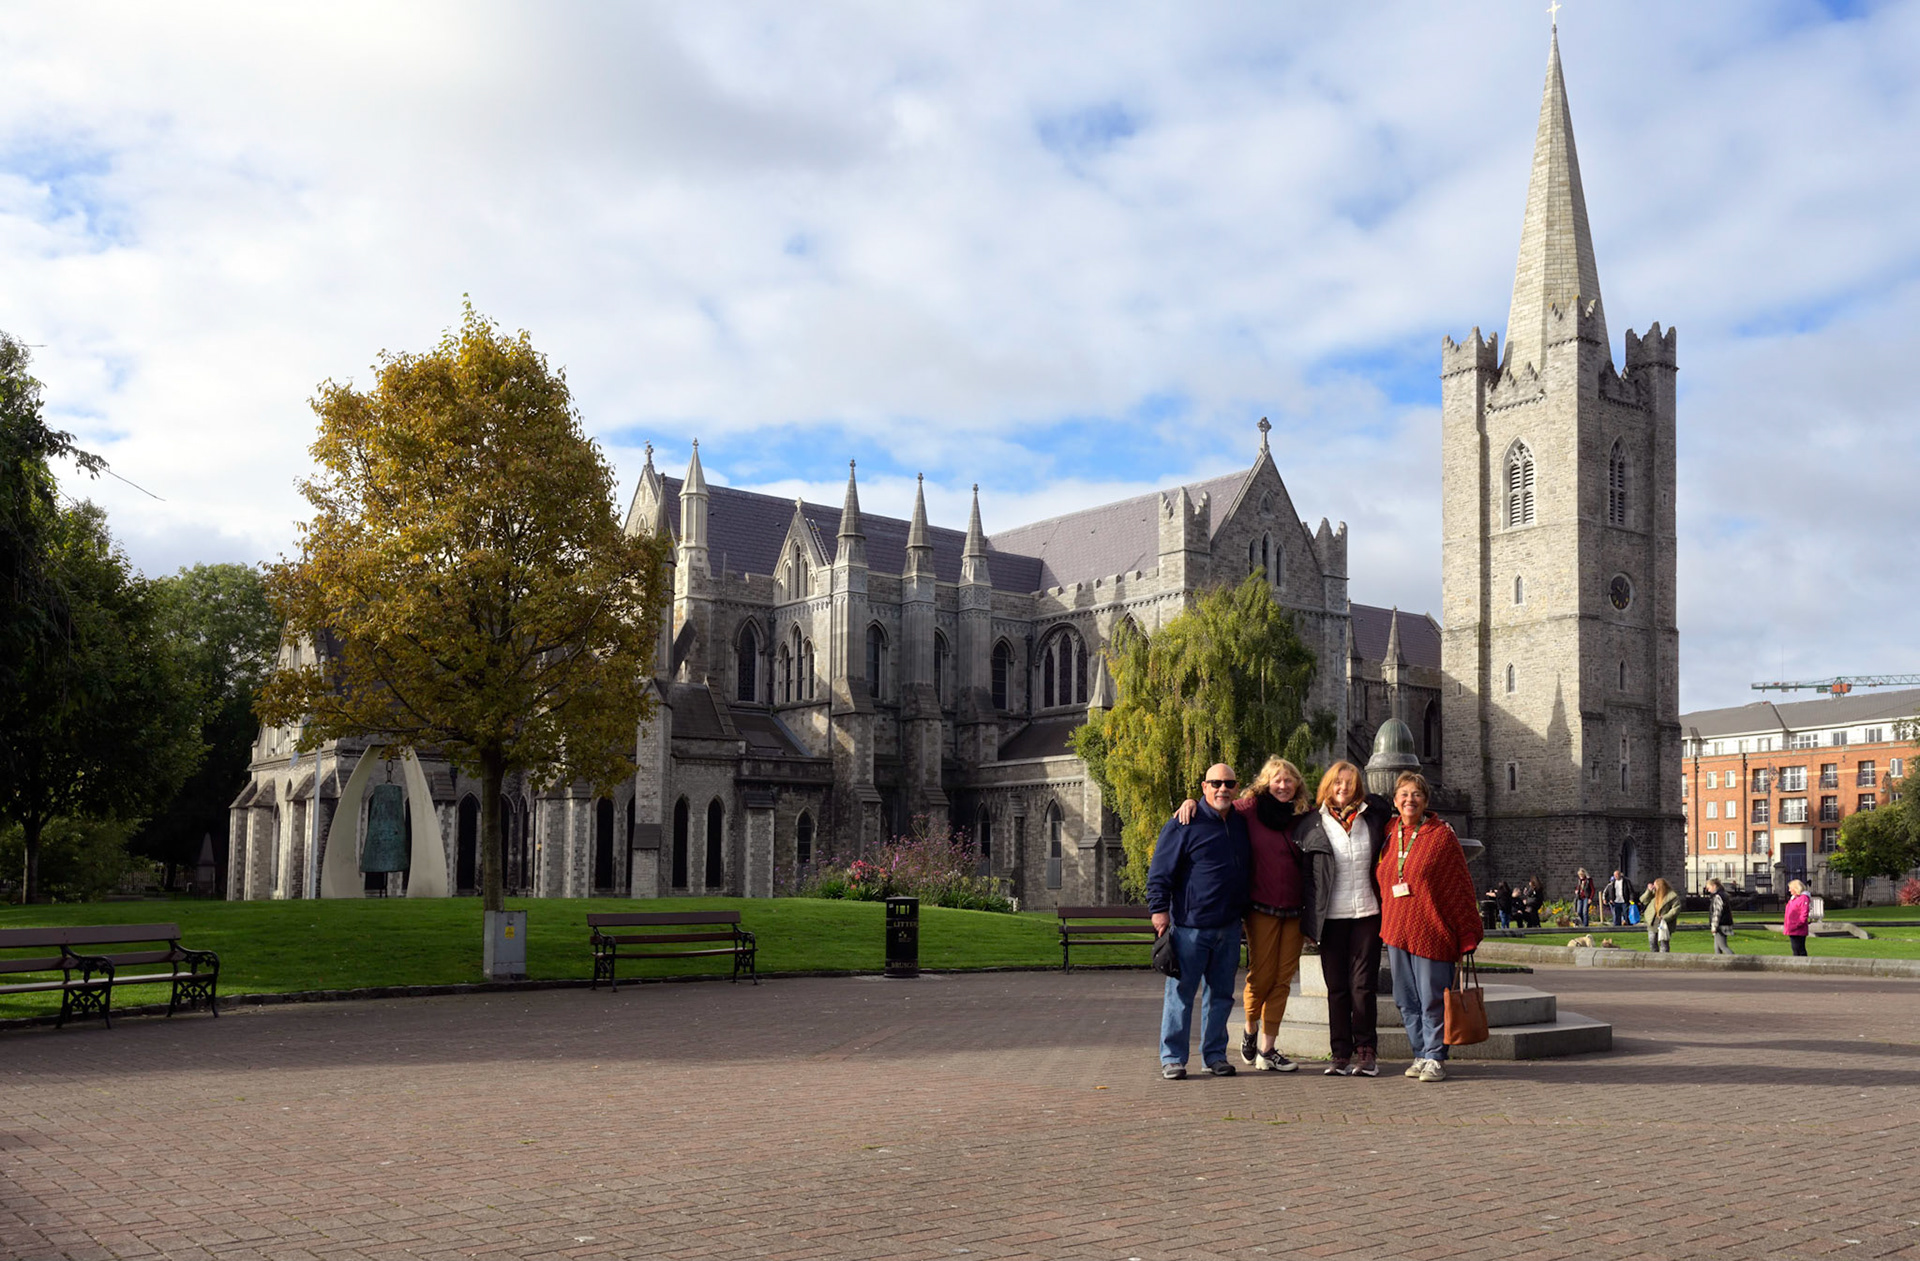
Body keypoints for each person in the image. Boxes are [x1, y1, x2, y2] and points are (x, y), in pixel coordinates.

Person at [1175, 756, 1308, 1072]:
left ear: (1297, 784)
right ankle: (1250, 1029)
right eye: (1277, 779)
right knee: (1261, 977)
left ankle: (1268, 1049)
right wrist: (1191, 802)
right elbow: (1217, 804)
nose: (1283, 785)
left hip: (1295, 909)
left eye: (1289, 780)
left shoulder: (1305, 814)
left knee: (1283, 980)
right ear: (1266, 783)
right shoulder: (1249, 809)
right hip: (1261, 907)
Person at [1148, 763, 1253, 1079]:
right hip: (1190, 927)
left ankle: (1214, 1056)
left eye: (1229, 784)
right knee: (1180, 994)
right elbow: (1160, 871)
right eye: (1216, 783)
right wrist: (1159, 910)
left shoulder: (1240, 823)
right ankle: (1173, 1057)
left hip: (1229, 927)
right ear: (1204, 787)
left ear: (1236, 788)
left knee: (1221, 996)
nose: (1223, 789)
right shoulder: (1184, 822)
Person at [1378, 772, 1483, 1083]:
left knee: (1432, 997)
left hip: (1431, 929)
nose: (1409, 800)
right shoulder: (1389, 832)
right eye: (1404, 794)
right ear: (1395, 801)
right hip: (1396, 929)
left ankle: (1436, 1056)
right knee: (1405, 998)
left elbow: (1459, 886)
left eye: (1416, 794)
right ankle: (1421, 1053)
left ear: (1426, 800)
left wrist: (1466, 931)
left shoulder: (1441, 836)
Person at [1297, 760, 1394, 1077]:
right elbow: (1307, 877)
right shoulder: (1312, 823)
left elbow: (1397, 805)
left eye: (1350, 783)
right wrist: (1308, 921)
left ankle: (1366, 1050)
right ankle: (1340, 1053)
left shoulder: (1372, 816)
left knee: (1362, 987)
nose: (1343, 788)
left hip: (1366, 912)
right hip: (1331, 917)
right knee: (1336, 987)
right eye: (1337, 782)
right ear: (1328, 786)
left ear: (1358, 787)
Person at [1638, 877, 1680, 952]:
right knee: (1652, 941)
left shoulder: (1672, 896)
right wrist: (1648, 891)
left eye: (1656, 886)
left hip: (1665, 922)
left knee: (1663, 942)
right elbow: (1643, 900)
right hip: (1652, 920)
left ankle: (1663, 957)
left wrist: (1665, 917)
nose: (1654, 888)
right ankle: (1654, 956)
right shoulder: (1653, 893)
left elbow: (1676, 909)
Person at [1705, 878, 1735, 955]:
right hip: (1725, 923)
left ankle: (1737, 960)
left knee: (1723, 946)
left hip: (1721, 925)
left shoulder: (1718, 897)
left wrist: (1714, 926)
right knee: (1717, 947)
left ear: (1714, 886)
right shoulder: (1723, 895)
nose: (1708, 890)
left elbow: (1717, 912)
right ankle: (1718, 961)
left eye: (1709, 888)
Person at [1783, 879, 1812, 956]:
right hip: (1792, 927)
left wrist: (1797, 924)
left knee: (1799, 949)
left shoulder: (1803, 898)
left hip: (1798, 928)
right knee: (1795, 949)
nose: (1789, 890)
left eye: (1791, 888)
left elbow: (1804, 913)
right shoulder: (1794, 899)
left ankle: (1802, 963)